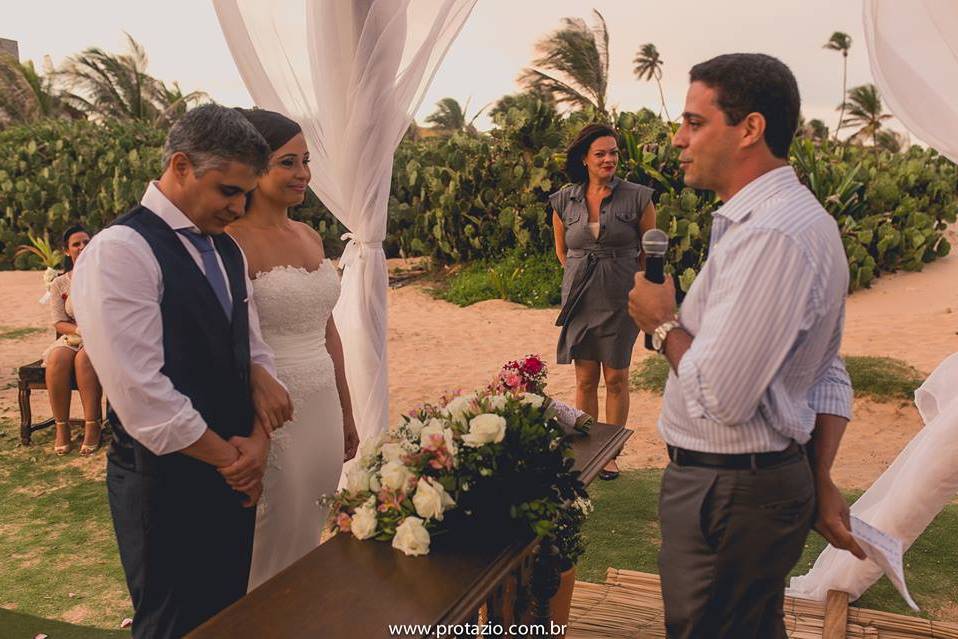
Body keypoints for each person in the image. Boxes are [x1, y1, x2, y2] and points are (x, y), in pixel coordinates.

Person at [627, 53, 866, 638]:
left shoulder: (772, 236)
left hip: (727, 493)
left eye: (694, 122)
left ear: (750, 129)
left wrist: (661, 325)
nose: (678, 139)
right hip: (751, 486)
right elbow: (828, 372)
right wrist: (820, 477)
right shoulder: (798, 222)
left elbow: (722, 396)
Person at [71, 104, 293, 639]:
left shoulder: (226, 249)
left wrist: (257, 442)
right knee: (171, 623)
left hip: (234, 466)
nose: (238, 207)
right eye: (227, 191)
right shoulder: (120, 251)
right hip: (164, 480)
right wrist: (233, 459)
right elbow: (140, 394)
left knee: (225, 613)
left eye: (245, 192)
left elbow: (251, 346)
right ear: (181, 166)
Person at [228, 108, 359, 590]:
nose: (303, 174)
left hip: (322, 401)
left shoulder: (310, 235)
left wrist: (347, 411)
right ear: (254, 166)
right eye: (288, 162)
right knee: (272, 532)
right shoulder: (230, 242)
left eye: (306, 161)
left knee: (311, 527)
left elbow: (328, 333)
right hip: (271, 411)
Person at [549, 123, 657, 480]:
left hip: (619, 297)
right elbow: (563, 252)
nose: (609, 159)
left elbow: (648, 254)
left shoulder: (639, 197)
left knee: (616, 377)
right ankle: (591, 450)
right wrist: (583, 276)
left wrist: (630, 284)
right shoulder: (564, 199)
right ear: (585, 159)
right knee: (584, 378)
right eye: (601, 153)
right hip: (580, 297)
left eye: (613, 152)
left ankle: (611, 454)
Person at [42, 225, 102, 455]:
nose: (82, 247)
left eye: (86, 242)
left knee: (84, 360)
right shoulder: (60, 282)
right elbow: (58, 321)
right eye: (76, 244)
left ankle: (92, 425)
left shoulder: (104, 276)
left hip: (101, 336)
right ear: (67, 251)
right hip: (75, 334)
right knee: (57, 357)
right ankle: (61, 427)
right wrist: (80, 330)